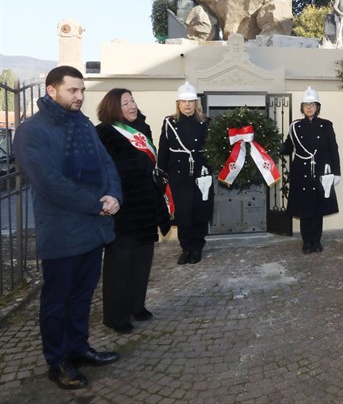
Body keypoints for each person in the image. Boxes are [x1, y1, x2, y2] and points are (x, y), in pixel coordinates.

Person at [13, 65, 122, 390]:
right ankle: (58, 361)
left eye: (82, 90)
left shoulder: (84, 124)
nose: (79, 96)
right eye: (72, 90)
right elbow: (50, 184)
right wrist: (96, 204)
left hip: (92, 230)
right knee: (57, 301)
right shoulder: (31, 131)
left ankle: (79, 347)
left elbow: (106, 164)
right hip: (61, 232)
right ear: (52, 90)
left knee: (83, 296)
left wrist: (115, 194)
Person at [96, 88, 170, 334]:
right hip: (123, 210)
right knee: (120, 265)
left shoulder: (143, 129)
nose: (131, 106)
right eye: (124, 103)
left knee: (142, 262)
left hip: (146, 208)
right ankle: (117, 316)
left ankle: (137, 306)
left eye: (132, 100)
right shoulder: (104, 132)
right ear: (112, 108)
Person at [157, 82, 214, 265]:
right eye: (183, 101)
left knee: (199, 212)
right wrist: (161, 173)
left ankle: (197, 247)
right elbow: (163, 149)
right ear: (178, 103)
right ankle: (186, 247)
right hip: (178, 175)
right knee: (182, 214)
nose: (187, 105)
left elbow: (215, 150)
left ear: (196, 103)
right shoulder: (169, 123)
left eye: (190, 101)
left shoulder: (206, 122)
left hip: (201, 174)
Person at [281, 86, 341, 254]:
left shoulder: (326, 125)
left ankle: (317, 241)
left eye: (312, 104)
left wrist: (336, 172)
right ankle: (307, 242)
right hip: (301, 171)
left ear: (317, 107)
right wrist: (271, 147)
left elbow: (333, 150)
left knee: (318, 208)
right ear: (302, 107)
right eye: (306, 105)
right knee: (304, 208)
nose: (309, 107)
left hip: (321, 171)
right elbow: (288, 147)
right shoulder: (295, 126)